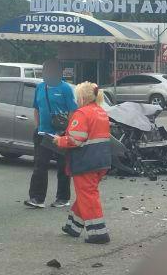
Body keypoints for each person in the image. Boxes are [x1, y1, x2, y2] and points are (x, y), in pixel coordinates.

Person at [48, 82, 112, 244]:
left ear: (82, 97)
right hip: (101, 160)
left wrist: (59, 140)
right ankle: (73, 227)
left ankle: (98, 233)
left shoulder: (82, 113)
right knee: (86, 193)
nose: (76, 100)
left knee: (88, 195)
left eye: (77, 97)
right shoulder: (101, 112)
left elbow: (75, 140)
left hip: (86, 161)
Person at [25, 60, 77, 209]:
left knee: (62, 167)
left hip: (60, 135)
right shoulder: (40, 87)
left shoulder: (65, 88)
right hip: (43, 134)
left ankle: (63, 198)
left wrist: (67, 130)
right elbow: (36, 108)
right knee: (39, 166)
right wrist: (38, 126)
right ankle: (37, 198)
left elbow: (72, 110)